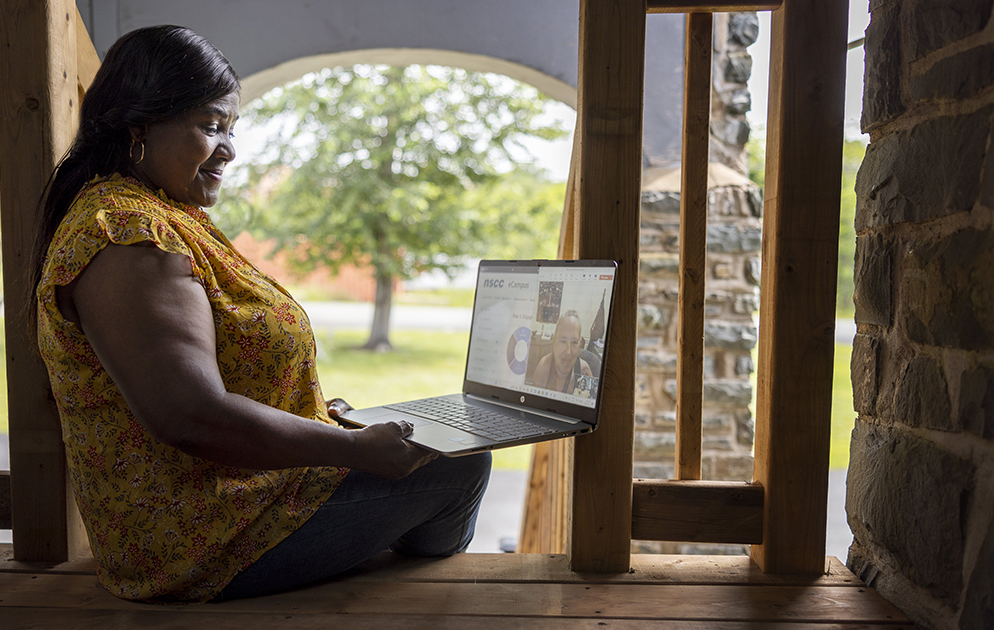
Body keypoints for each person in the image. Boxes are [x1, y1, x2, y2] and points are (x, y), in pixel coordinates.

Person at [32, 25, 490, 603]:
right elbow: (190, 416)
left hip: (244, 503)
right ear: (138, 126)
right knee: (457, 468)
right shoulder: (127, 236)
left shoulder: (159, 214)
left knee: (436, 451)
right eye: (209, 126)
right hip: (203, 539)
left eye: (230, 129)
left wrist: (317, 416)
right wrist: (352, 449)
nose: (228, 148)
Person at [527, 310, 593, 393]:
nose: (568, 352)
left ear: (580, 344)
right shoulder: (543, 367)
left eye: (574, 342)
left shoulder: (584, 370)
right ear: (554, 341)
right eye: (563, 341)